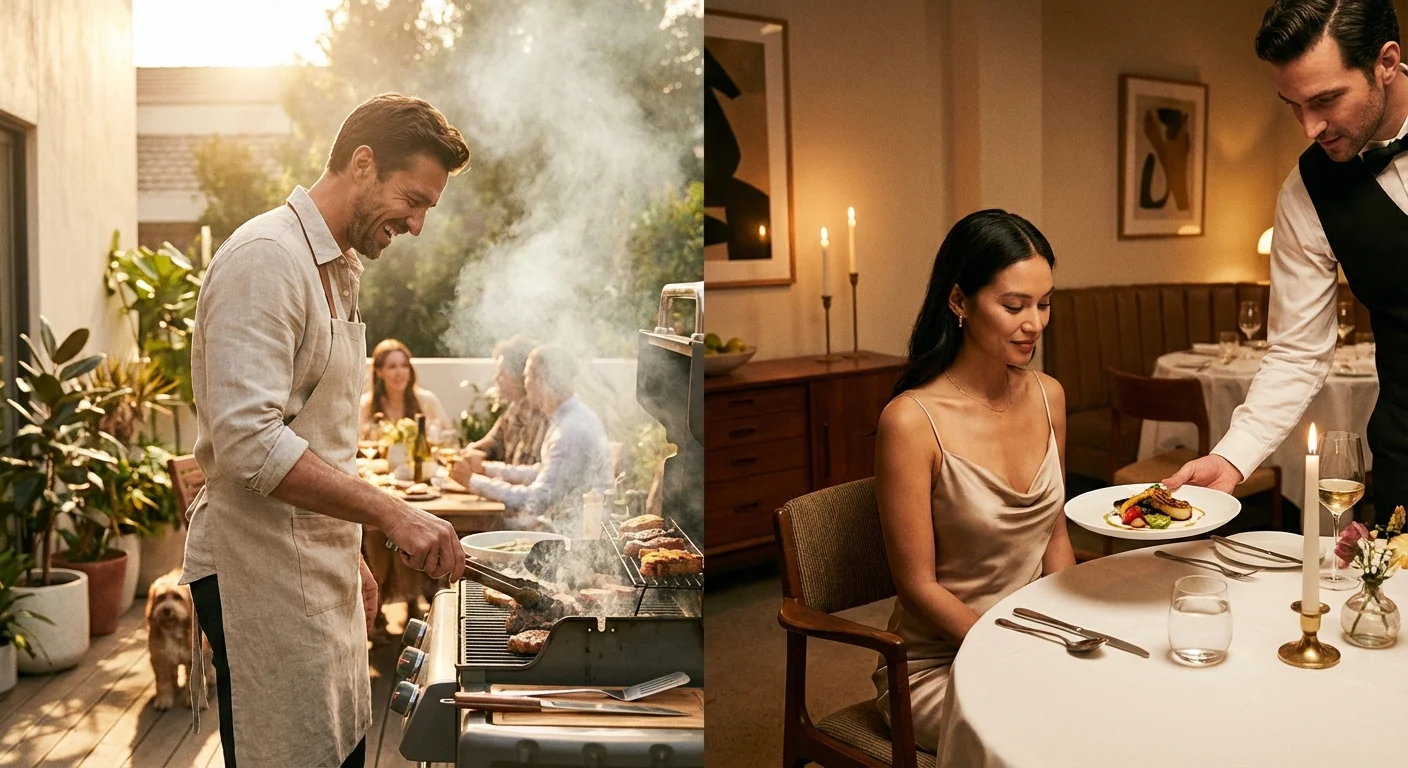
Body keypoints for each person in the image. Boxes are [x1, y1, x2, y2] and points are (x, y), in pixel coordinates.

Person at [181, 93, 471, 768]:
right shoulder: (266, 258)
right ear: (363, 163)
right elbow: (249, 442)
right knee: (286, 753)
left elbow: (317, 432)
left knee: (336, 747)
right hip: (259, 571)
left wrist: (349, 554)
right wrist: (392, 514)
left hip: (317, 562)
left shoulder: (337, 269)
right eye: (414, 200)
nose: (418, 225)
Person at [1165, 0, 1408, 523]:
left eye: (1326, 99)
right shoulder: (1307, 193)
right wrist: (1232, 457)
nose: (1309, 127)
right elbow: (1298, 352)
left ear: (1386, 62)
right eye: (1294, 105)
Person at [870, 209, 1074, 752]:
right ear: (959, 301)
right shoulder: (910, 422)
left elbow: (1054, 538)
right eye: (1014, 306)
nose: (1035, 324)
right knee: (1062, 733)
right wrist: (1009, 648)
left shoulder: (1049, 396)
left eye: (1044, 303)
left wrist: (1068, 628)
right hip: (940, 664)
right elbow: (917, 587)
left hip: (1036, 639)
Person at [450, 345, 611, 529]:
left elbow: (536, 500)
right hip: (560, 525)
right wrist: (486, 469)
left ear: (542, 379)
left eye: (527, 376)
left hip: (569, 534)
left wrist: (472, 481)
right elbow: (542, 473)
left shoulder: (569, 430)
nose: (525, 384)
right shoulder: (568, 417)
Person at [466, 334, 549, 466]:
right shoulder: (513, 408)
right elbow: (490, 443)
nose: (496, 378)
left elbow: (524, 468)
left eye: (502, 373)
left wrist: (483, 467)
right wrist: (466, 452)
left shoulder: (539, 415)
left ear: (519, 376)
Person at [359, 338, 452, 442]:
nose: (399, 373)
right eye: (392, 367)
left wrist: (432, 434)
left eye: (404, 366)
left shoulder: (427, 401)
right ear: (379, 372)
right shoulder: (365, 405)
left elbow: (450, 435)